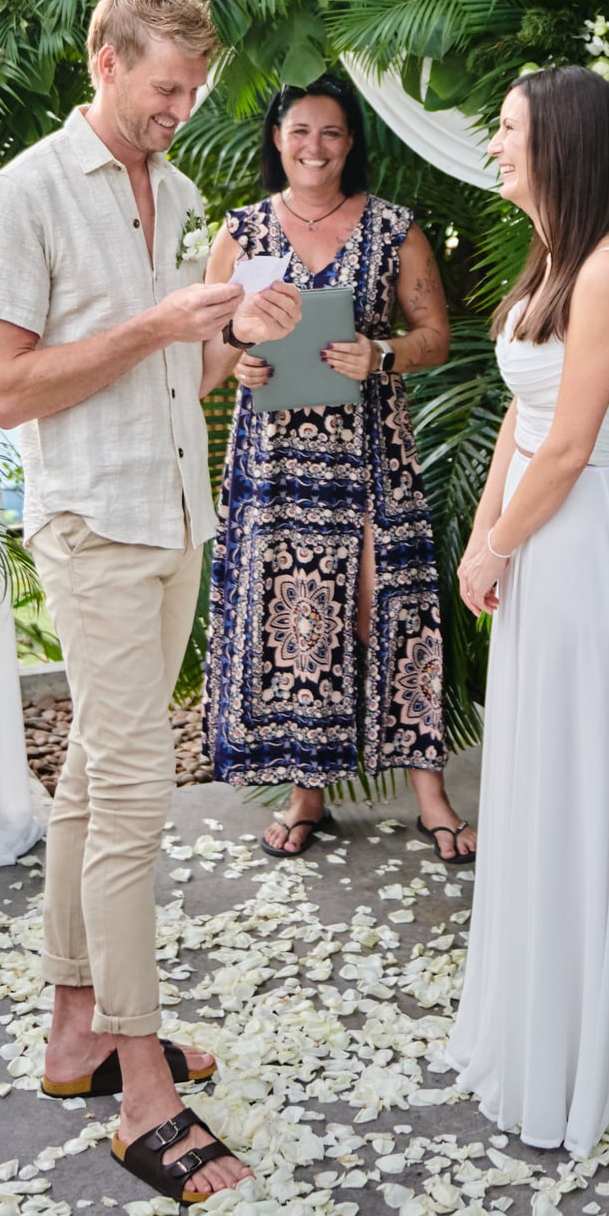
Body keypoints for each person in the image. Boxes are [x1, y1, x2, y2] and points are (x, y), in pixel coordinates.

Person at [0, 0, 301, 1206]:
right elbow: (7, 389)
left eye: (194, 90)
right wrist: (158, 325)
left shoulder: (184, 193)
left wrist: (237, 334)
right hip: (93, 525)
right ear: (104, 61)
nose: (182, 108)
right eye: (167, 86)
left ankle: (78, 1034)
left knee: (93, 778)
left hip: (175, 516)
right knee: (135, 795)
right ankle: (145, 1095)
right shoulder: (26, 194)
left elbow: (182, 372)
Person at [447, 64, 609, 1155]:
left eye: (508, 129)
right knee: (534, 784)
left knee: (575, 789)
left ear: (560, 146)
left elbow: (575, 443)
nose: (494, 145)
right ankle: (534, 1025)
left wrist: (503, 542)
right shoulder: (550, 259)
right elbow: (519, 417)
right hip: (534, 541)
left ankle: (584, 1050)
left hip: (578, 554)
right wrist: (482, 532)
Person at [200, 72, 474, 862]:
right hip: (277, 459)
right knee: (298, 616)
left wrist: (379, 353)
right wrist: (243, 358)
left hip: (371, 454)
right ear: (277, 140)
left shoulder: (393, 228)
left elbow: (434, 335)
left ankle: (430, 795)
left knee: (390, 610)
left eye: (329, 132)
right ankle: (305, 795)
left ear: (350, 143)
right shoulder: (243, 232)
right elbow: (208, 346)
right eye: (299, 131)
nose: (313, 146)